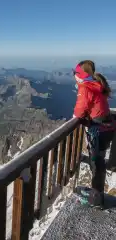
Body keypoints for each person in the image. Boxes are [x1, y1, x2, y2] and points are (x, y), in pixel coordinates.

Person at [73, 60, 115, 209]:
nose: (74, 76)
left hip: (98, 131)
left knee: (97, 164)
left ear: (80, 75)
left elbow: (79, 111)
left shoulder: (86, 88)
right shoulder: (96, 85)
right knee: (99, 161)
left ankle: (96, 200)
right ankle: (97, 193)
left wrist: (77, 117)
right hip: (107, 129)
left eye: (75, 73)